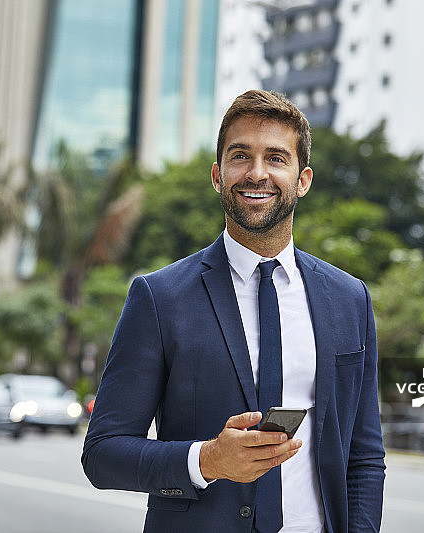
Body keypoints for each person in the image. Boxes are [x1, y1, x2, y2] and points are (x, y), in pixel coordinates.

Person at [82, 89, 385, 532]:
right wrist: (206, 460)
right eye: (240, 156)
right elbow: (103, 454)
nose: (257, 173)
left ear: (302, 180)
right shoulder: (159, 297)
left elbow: (364, 456)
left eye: (276, 158)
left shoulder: (349, 298)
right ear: (218, 175)